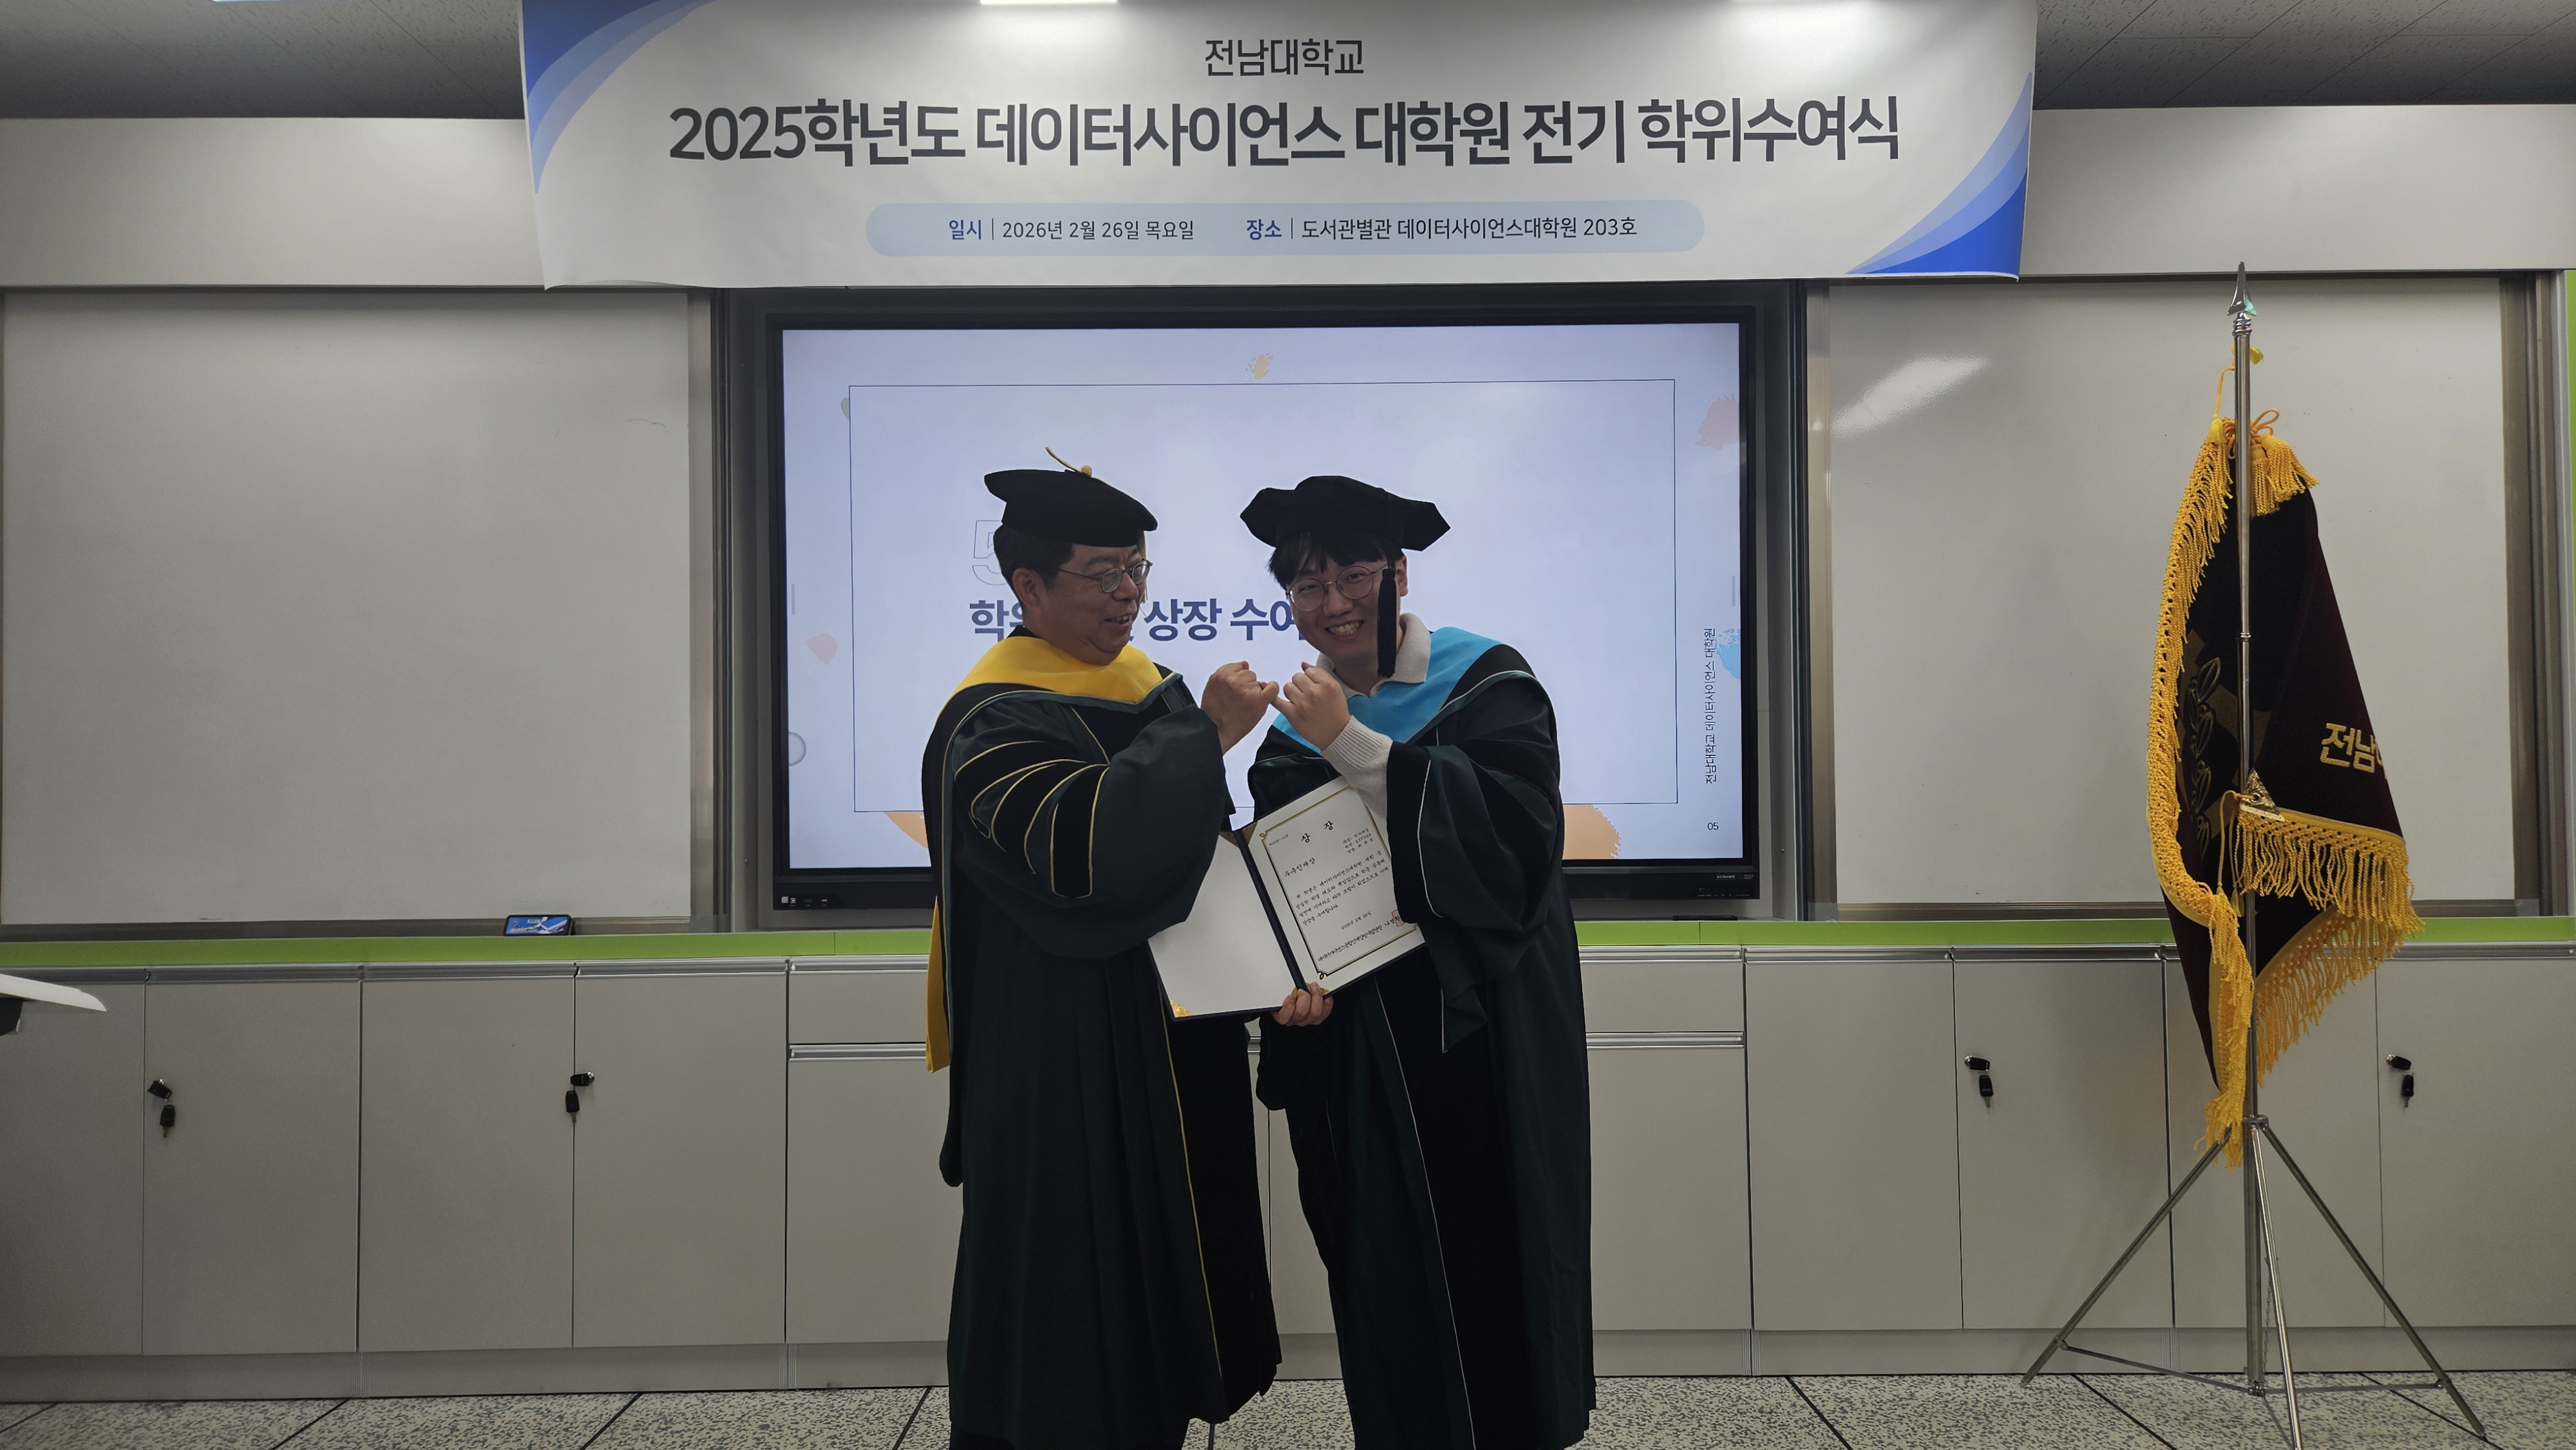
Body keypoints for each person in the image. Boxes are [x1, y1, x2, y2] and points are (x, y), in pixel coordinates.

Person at [920, 460, 1298, 1450]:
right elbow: (1084, 851)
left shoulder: (1147, 692)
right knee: (1069, 1319)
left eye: (1137, 569)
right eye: (1103, 574)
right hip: (1061, 1068)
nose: (1129, 593)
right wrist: (1203, 738)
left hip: (1168, 1049)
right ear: (1028, 586)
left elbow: (1196, 860)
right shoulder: (990, 722)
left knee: (1161, 1308)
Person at [1242, 475, 1593, 1450]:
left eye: (1354, 576)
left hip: (1480, 1034)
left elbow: (1516, 853)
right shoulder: (1288, 734)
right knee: (1382, 1263)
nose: (1334, 604)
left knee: (1496, 1254)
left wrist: (1354, 744)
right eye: (1309, 586)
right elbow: (1285, 888)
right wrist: (1287, 988)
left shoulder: (1491, 684)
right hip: (1361, 1050)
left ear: (1398, 572)